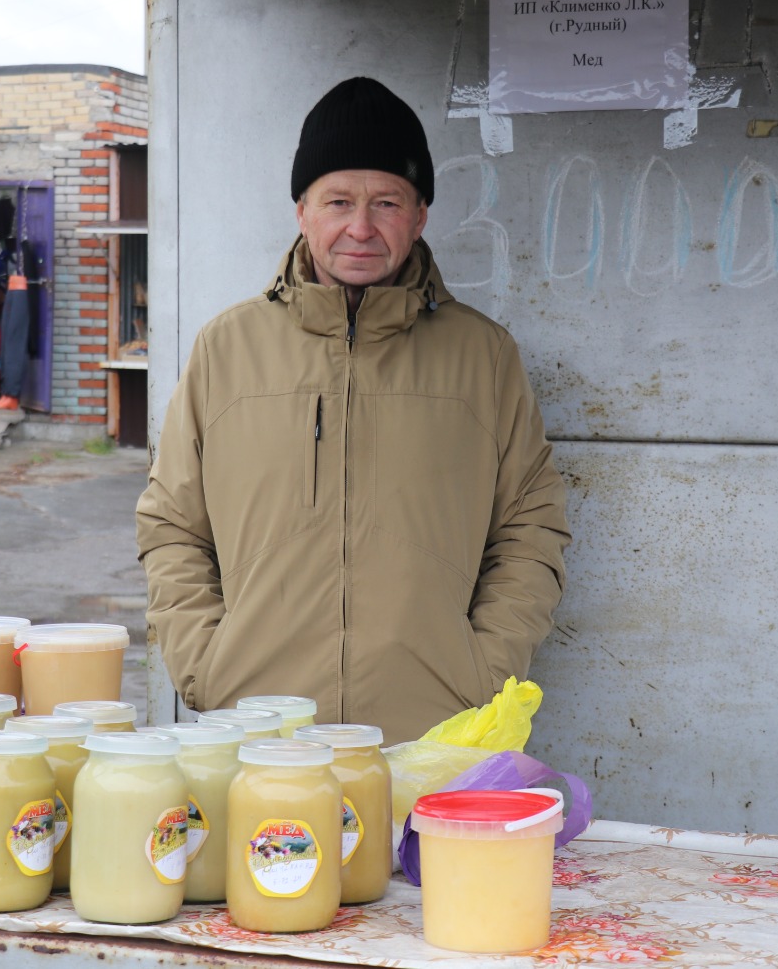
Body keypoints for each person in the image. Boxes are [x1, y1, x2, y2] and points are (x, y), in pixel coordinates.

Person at [136, 77, 571, 742]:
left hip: (431, 734)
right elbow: (173, 525)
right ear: (302, 209)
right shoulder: (225, 349)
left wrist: (483, 670)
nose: (360, 228)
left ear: (420, 215)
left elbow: (529, 527)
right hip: (258, 733)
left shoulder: (482, 357)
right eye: (338, 201)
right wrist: (206, 666)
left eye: (386, 202)